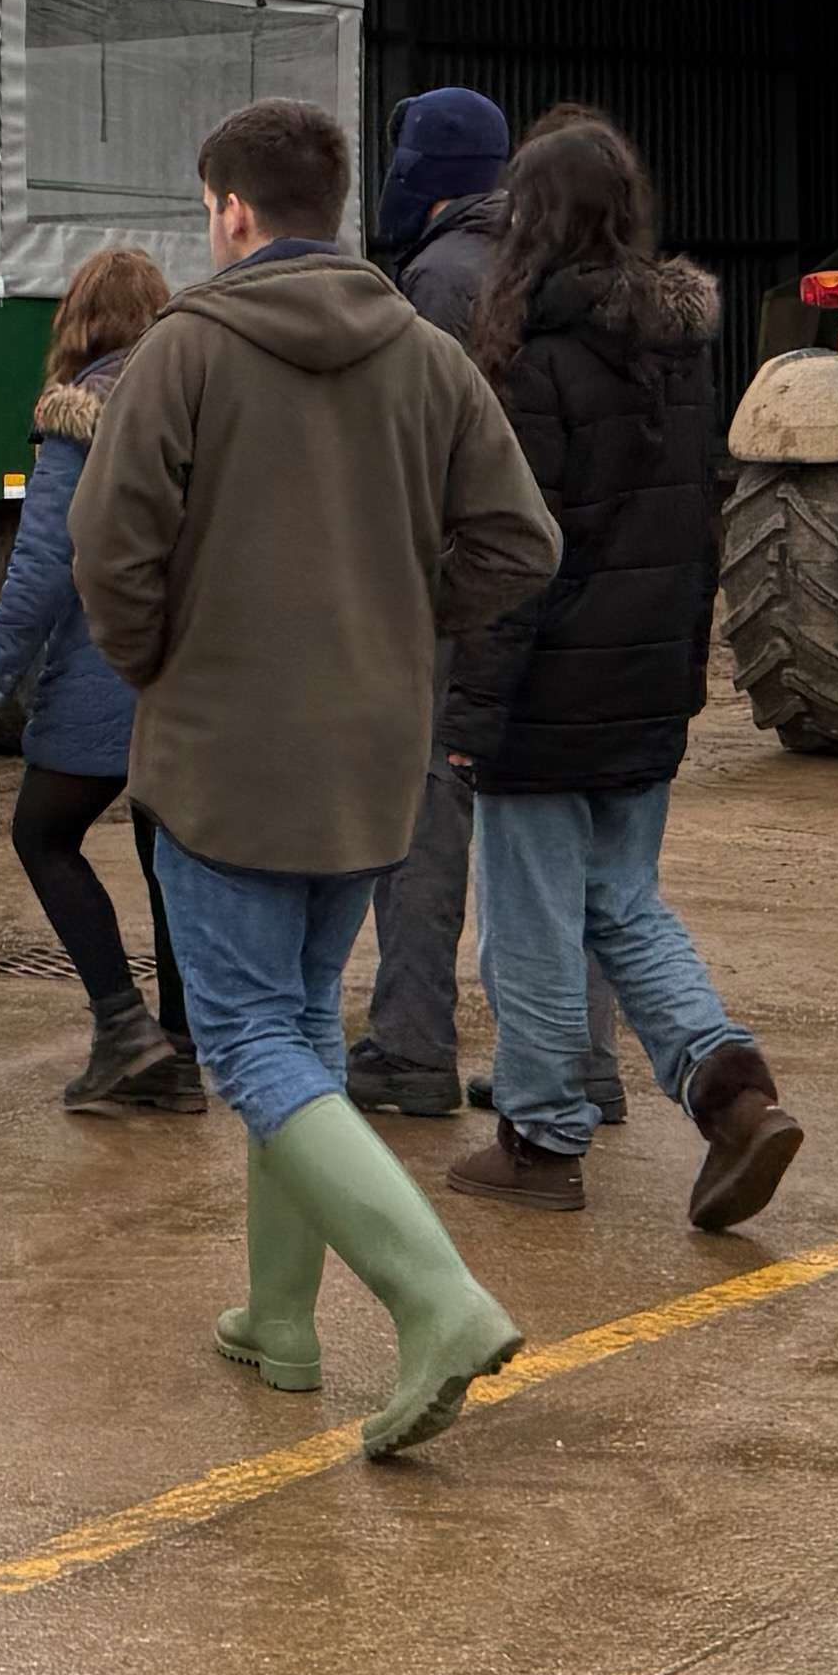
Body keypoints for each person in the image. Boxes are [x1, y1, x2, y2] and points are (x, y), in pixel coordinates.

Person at [74, 97, 563, 1459]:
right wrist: (407, 622)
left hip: (227, 757)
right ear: (336, 204)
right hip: (370, 761)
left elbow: (106, 552)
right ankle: (276, 1322)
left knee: (247, 1041)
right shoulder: (425, 355)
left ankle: (438, 1301)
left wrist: (162, 661)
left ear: (230, 211)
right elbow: (521, 545)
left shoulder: (182, 354)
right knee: (291, 1022)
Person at [438, 115, 801, 1226]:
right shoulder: (677, 351)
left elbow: (518, 556)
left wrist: (471, 711)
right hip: (646, 683)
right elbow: (694, 524)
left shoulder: (528, 359)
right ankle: (732, 1090)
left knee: (533, 925)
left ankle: (543, 1140)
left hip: (549, 696)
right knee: (621, 904)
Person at [0, 242, 201, 1115]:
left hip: (107, 677)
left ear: (82, 322)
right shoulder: (193, 402)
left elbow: (43, 567)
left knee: (42, 834)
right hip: (188, 678)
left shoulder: (81, 411)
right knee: (164, 857)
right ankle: (178, 1056)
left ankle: (122, 1025)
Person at [343, 82, 518, 1119]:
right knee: (545, 826)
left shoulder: (436, 285)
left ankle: (410, 1046)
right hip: (555, 582)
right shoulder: (554, 268)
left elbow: (412, 456)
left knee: (424, 808)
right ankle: (569, 1058)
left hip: (460, 584)